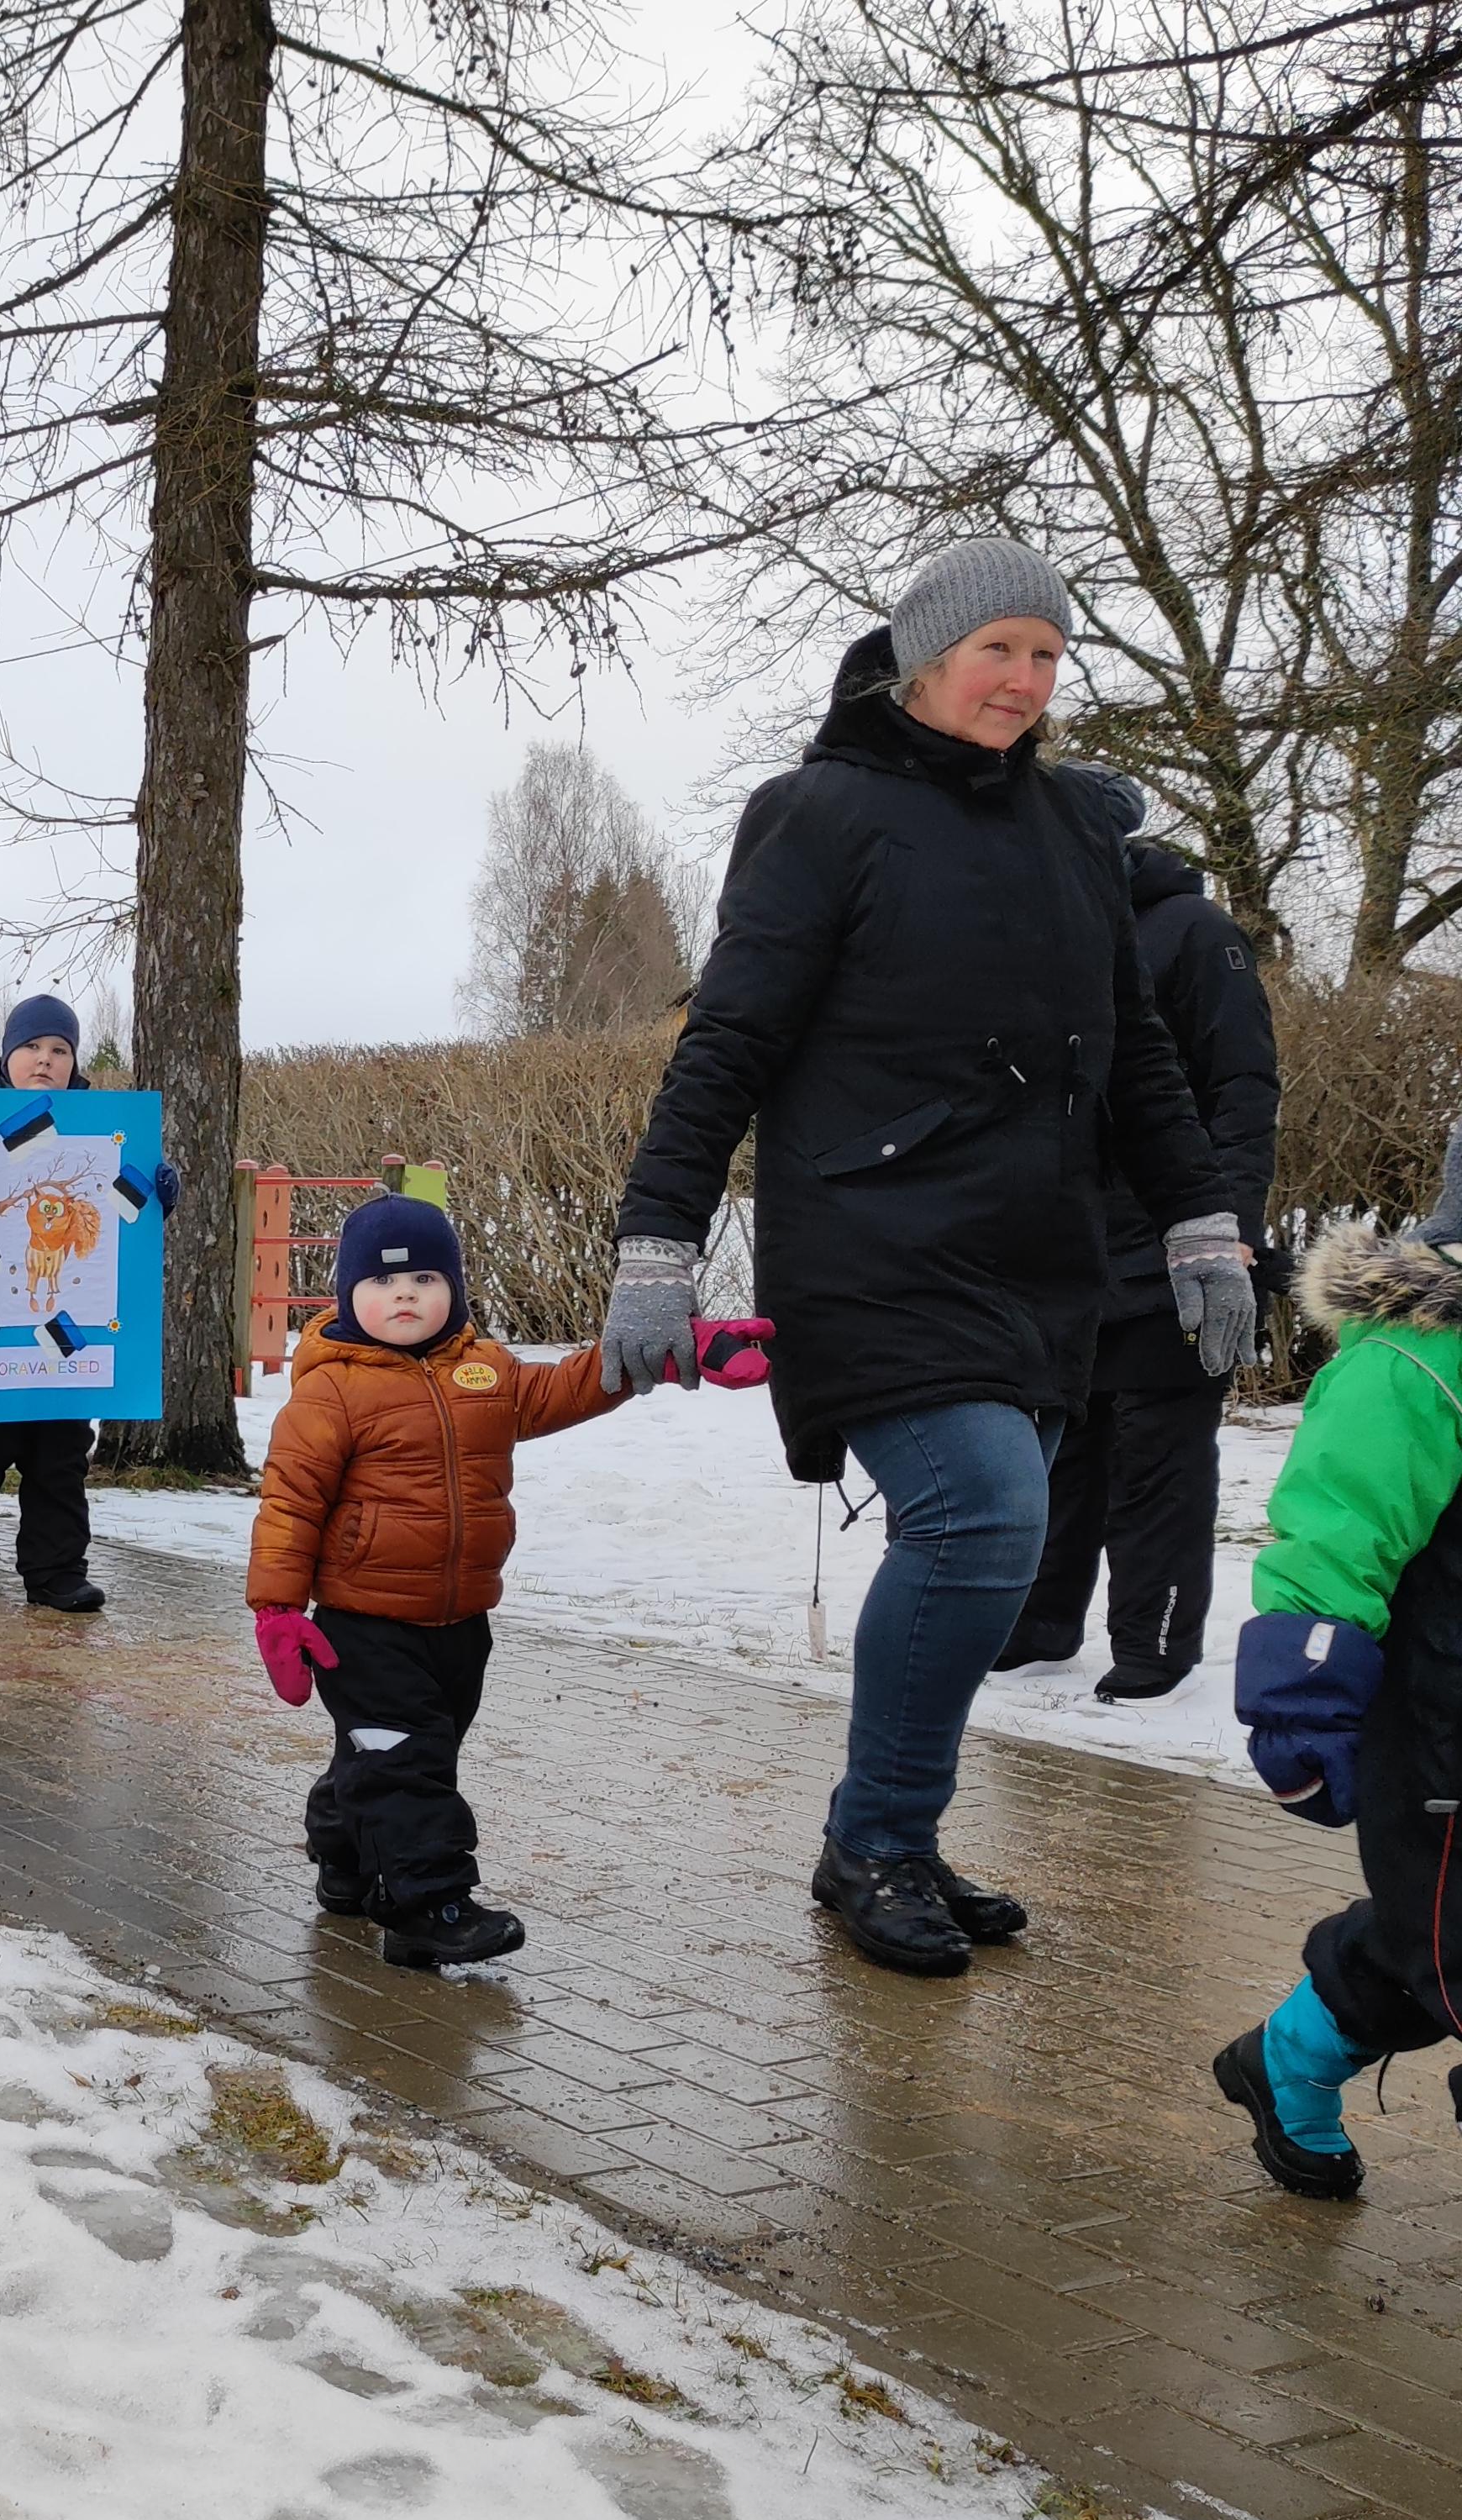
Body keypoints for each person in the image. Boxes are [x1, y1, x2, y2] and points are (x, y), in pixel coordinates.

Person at [604, 537, 1254, 1981]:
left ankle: (887, 1827)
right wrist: (658, 1238)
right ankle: (878, 1841)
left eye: (1046, 655)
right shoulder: (819, 815)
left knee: (989, 1543)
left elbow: (1139, 1056)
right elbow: (729, 1040)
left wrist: (1200, 1219)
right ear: (923, 657)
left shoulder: (1073, 830)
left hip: (1036, 1254)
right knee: (980, 1516)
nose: (1022, 680)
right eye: (995, 650)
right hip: (870, 1239)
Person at [248, 1193, 768, 1969]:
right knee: (408, 1760)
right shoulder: (332, 1391)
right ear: (349, 1295)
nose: (405, 1295)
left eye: (425, 1279)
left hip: (463, 1620)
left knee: (401, 1753)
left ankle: (345, 1850)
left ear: (453, 1289)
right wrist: (278, 1610)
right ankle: (427, 1907)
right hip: (365, 1621)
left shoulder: (484, 1370)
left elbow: (566, 1388)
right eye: (383, 1282)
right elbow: (291, 1503)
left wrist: (665, 1348)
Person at [999, 775, 1281, 1699]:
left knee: (1158, 1455)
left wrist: (1232, 1230)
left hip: (1175, 1241)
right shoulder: (1046, 931)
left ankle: (1154, 1645)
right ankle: (1039, 1622)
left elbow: (1242, 1090)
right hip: (1066, 1248)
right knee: (1061, 1446)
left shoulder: (1194, 933)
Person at [1222, 1133, 1462, 2201]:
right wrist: (1301, 1698)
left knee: (1428, 1945)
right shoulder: (1419, 1359)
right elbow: (1332, 1530)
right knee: (1448, 1938)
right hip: (1440, 1735)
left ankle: (1288, 2055)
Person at [0, 989, 181, 1612]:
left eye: (60, 1049)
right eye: (31, 1046)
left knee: (61, 1451)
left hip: (71, 1322)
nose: (46, 1059)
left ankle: (56, 1571)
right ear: (6, 1055)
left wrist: (158, 1195)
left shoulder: (98, 1127)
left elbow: (122, 1221)